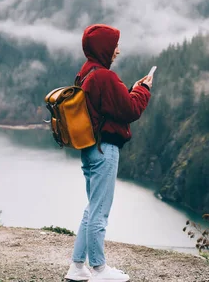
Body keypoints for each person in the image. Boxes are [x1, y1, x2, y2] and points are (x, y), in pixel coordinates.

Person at [64, 24, 152, 282]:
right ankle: (99, 270)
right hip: (105, 150)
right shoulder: (104, 77)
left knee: (92, 209)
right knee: (99, 212)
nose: (118, 51)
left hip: (89, 148)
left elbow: (108, 106)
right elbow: (130, 110)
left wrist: (133, 90)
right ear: (104, 48)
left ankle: (77, 267)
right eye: (114, 46)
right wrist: (143, 90)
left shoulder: (85, 73)